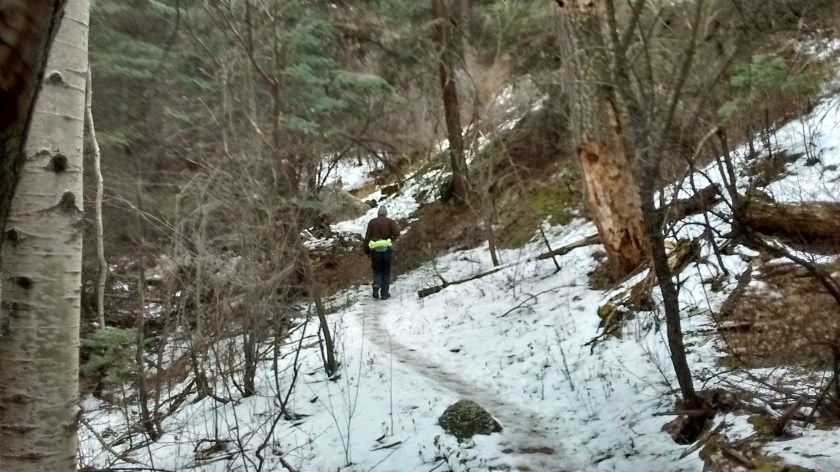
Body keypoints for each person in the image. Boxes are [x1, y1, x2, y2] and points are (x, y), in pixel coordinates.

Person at [363, 205, 400, 300]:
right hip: (386, 249)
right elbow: (397, 234)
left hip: (375, 250)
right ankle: (384, 293)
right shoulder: (390, 222)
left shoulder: (372, 222)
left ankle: (376, 285)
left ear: (378, 214)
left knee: (377, 270)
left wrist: (366, 251)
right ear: (386, 213)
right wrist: (391, 240)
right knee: (386, 270)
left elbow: (367, 238)